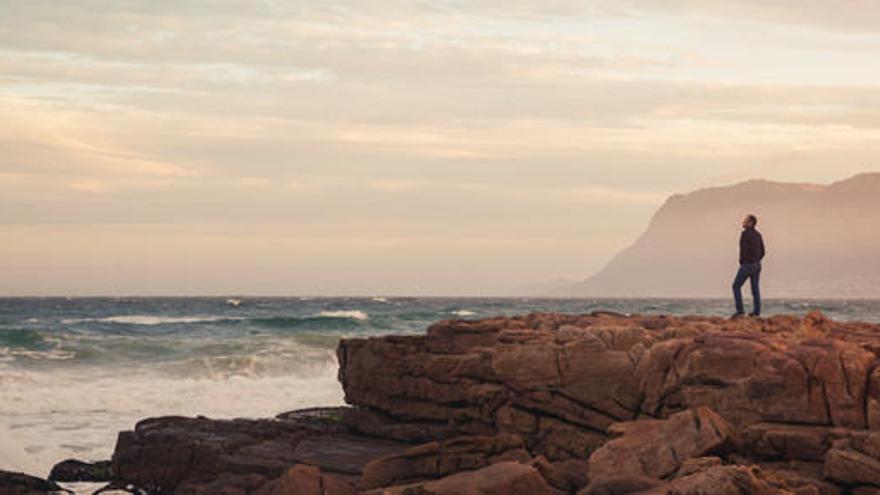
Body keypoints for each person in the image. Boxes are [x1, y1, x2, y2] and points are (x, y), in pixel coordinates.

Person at [732, 214, 765, 318]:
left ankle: (740, 311)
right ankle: (756, 312)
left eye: (745, 220)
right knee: (755, 289)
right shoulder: (758, 235)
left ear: (750, 223)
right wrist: (757, 260)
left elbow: (743, 250)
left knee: (736, 286)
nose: (743, 222)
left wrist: (743, 261)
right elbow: (763, 251)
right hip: (757, 264)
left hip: (748, 264)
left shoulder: (745, 234)